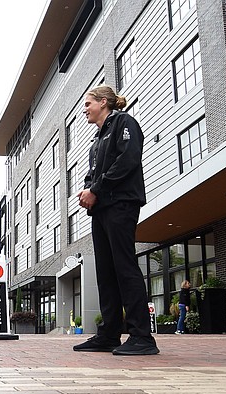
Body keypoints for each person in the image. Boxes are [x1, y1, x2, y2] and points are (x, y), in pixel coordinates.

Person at [73, 85, 159, 355]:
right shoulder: (97, 140)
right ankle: (109, 334)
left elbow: (128, 159)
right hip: (101, 209)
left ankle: (142, 338)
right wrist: (89, 189)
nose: (85, 109)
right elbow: (92, 174)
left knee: (125, 266)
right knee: (106, 272)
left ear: (103, 102)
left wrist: (96, 189)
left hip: (121, 203)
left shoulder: (125, 122)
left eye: (88, 104)